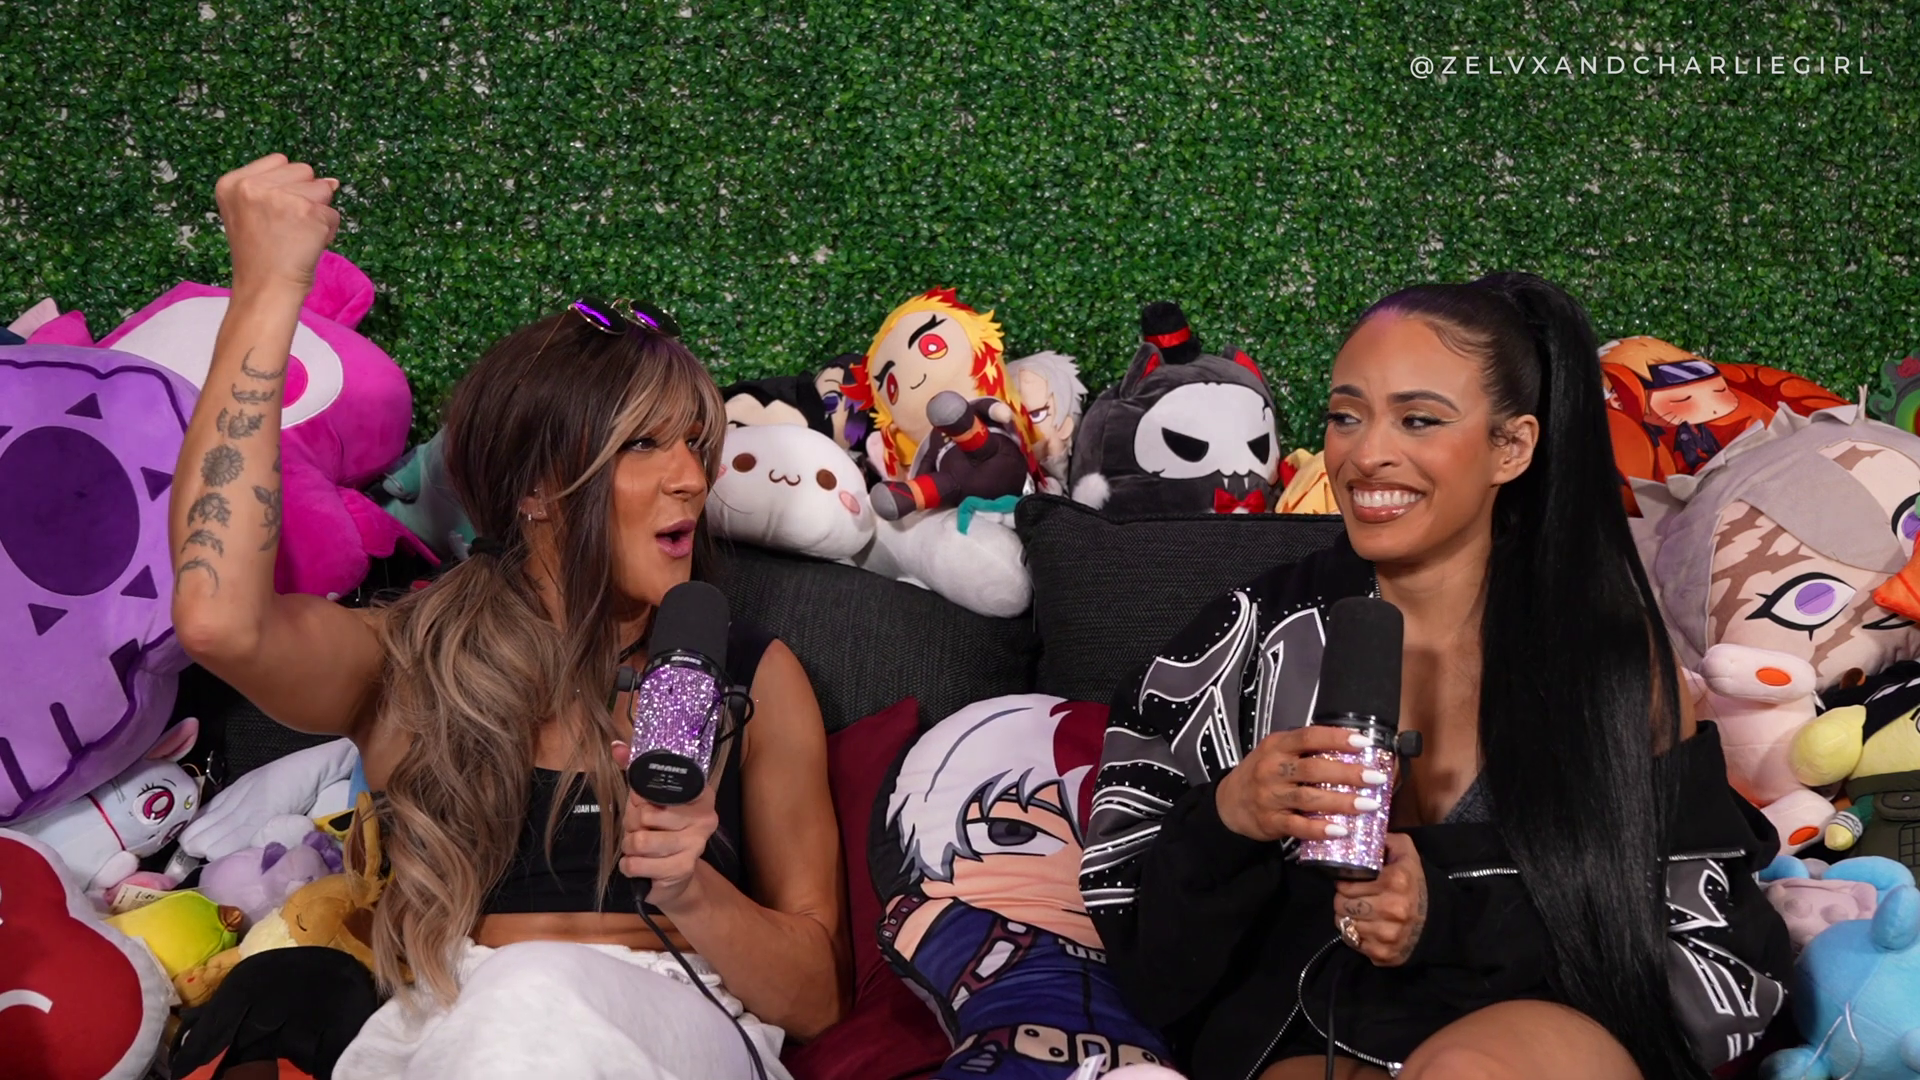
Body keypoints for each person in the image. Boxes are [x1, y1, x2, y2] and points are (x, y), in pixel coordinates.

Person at [168, 155, 849, 1080]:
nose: (692, 476)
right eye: (643, 445)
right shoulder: (413, 661)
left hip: (678, 1020)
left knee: (531, 995)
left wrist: (688, 887)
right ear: (535, 489)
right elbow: (219, 621)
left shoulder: (752, 675)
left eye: (698, 443)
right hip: (450, 1025)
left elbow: (816, 998)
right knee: (434, 1002)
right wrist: (267, 288)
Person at [1078, 274, 1793, 1080]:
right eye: (1346, 416)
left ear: (1511, 447)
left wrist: (1449, 915)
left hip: (1541, 1020)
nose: (1365, 454)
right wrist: (1228, 820)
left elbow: (1705, 944)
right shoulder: (1240, 644)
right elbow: (1149, 969)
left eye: (1418, 419)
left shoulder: (1608, 656)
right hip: (1307, 1024)